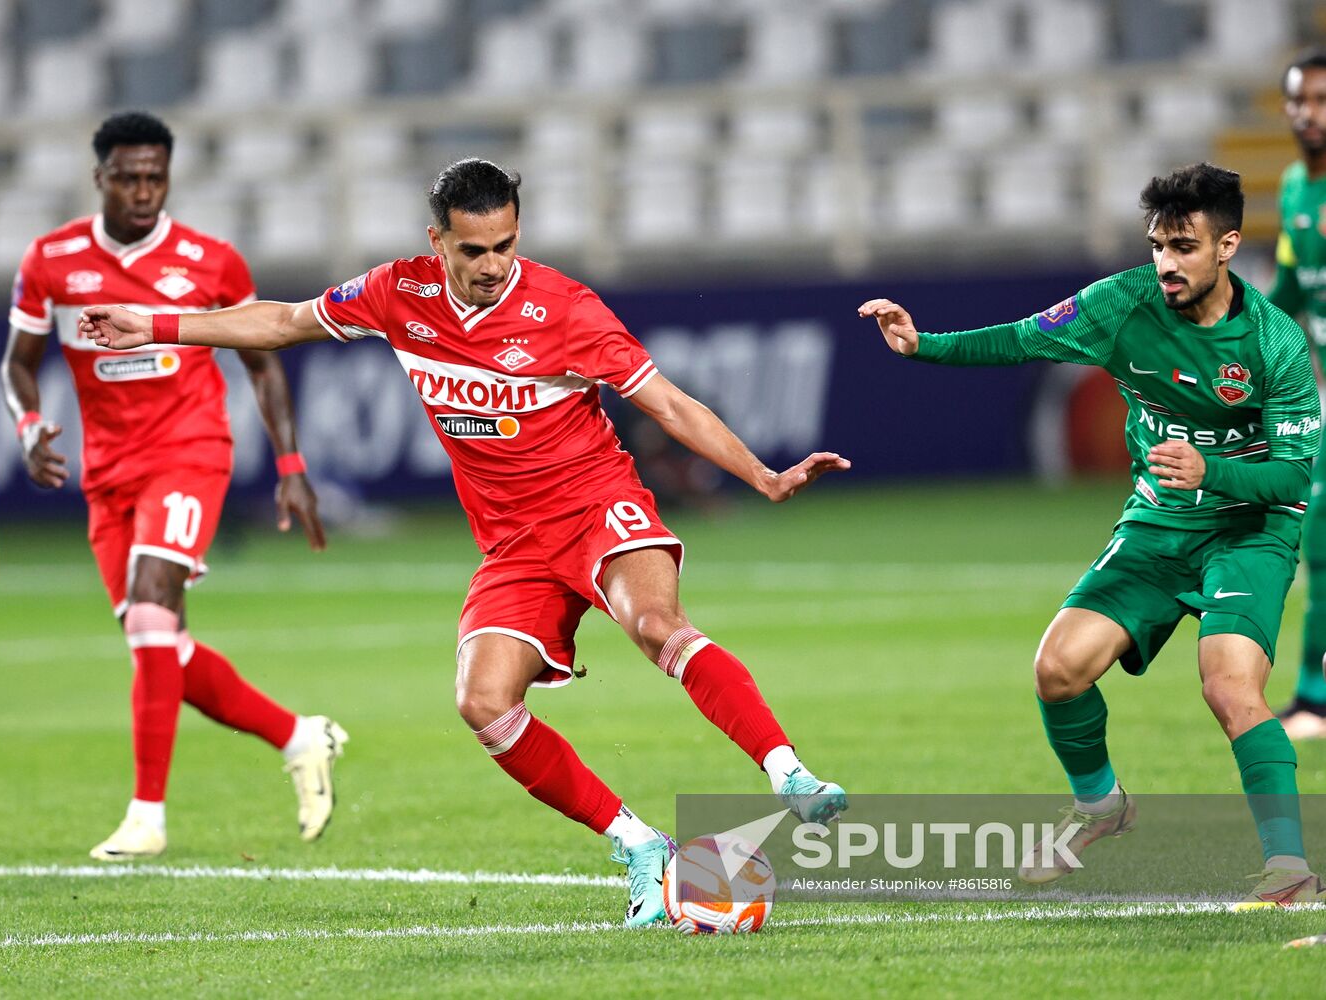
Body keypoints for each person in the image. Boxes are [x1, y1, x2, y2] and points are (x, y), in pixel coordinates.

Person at [79, 157, 850, 927]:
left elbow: (672, 405)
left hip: (595, 506)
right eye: (472, 250)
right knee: (481, 702)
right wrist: (152, 323)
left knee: (654, 625)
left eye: (504, 247)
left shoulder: (568, 311)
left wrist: (762, 475)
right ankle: (638, 843)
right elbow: (282, 323)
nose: (491, 267)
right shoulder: (397, 292)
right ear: (437, 242)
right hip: (512, 546)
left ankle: (788, 774)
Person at [860, 163, 1323, 907]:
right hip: (1156, 522)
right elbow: (1020, 339)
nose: (1165, 263)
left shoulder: (1273, 344)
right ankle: (1101, 806)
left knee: (1229, 688)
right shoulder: (1121, 303)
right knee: (1056, 669)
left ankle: (1288, 869)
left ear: (1227, 245)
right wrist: (923, 345)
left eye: (1183, 246)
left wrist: (1211, 470)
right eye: (1156, 246)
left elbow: (1293, 481)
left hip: (1248, 531)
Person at [0, 111, 348, 861]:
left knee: (153, 611)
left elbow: (263, 359)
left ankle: (147, 817)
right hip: (109, 472)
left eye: (155, 175)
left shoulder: (209, 261)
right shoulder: (52, 260)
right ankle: (299, 736)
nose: (143, 190)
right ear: (100, 178)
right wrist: (27, 424)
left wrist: (290, 468)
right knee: (159, 644)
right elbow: (18, 359)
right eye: (128, 176)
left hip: (189, 452)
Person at [1268, 49, 1326, 740]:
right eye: (1299, 100)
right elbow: (1288, 290)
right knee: (1316, 532)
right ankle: (1313, 694)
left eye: (1321, 99)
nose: (1308, 113)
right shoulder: (1292, 189)